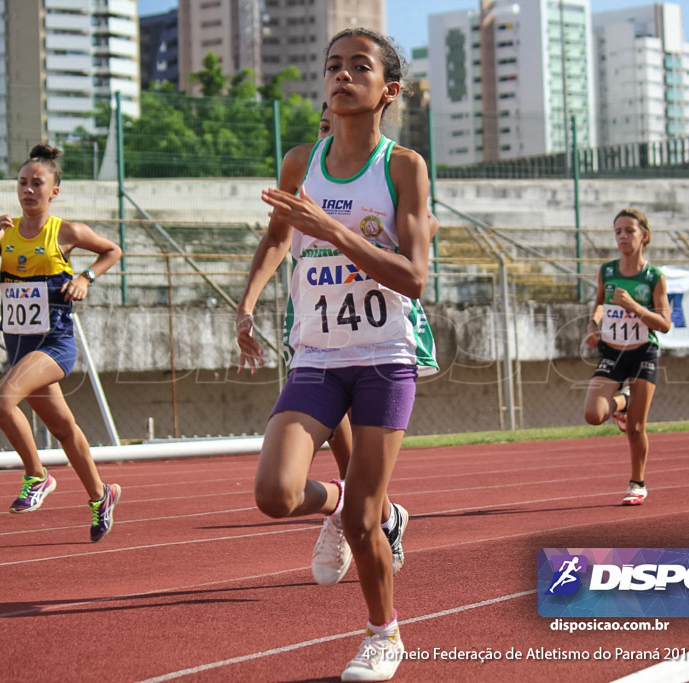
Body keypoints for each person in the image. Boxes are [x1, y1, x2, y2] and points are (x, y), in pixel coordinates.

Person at [237, 28, 436, 681]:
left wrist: (334, 232)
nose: (342, 76)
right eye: (333, 67)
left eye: (359, 67)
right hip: (317, 357)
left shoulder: (402, 167)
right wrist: (248, 303)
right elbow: (276, 236)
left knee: (365, 518)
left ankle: (384, 634)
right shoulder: (301, 163)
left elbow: (413, 276)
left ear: (390, 90)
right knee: (273, 491)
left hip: (383, 356)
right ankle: (354, 502)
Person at [311, 101, 440, 581]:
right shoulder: (307, 171)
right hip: (316, 314)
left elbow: (425, 232)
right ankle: (374, 514)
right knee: (328, 430)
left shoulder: (396, 168)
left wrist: (352, 237)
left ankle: (359, 513)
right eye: (323, 127)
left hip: (379, 321)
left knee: (354, 434)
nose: (331, 133)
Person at [0, 144, 123, 542]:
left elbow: (112, 250)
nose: (28, 190)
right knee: (64, 428)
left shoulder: (65, 232)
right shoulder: (7, 236)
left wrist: (85, 277)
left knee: (0, 402)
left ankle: (37, 476)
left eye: (37, 183)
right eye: (22, 182)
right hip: (20, 347)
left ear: (54, 190)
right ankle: (100, 495)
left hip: (54, 343)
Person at [583, 208, 671, 506]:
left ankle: (637, 483)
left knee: (635, 427)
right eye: (618, 231)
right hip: (613, 350)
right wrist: (593, 325)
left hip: (643, 352)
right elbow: (598, 304)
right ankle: (625, 399)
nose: (622, 236)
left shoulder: (654, 277)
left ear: (644, 236)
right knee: (594, 415)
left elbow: (665, 324)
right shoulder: (607, 271)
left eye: (629, 231)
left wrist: (635, 306)